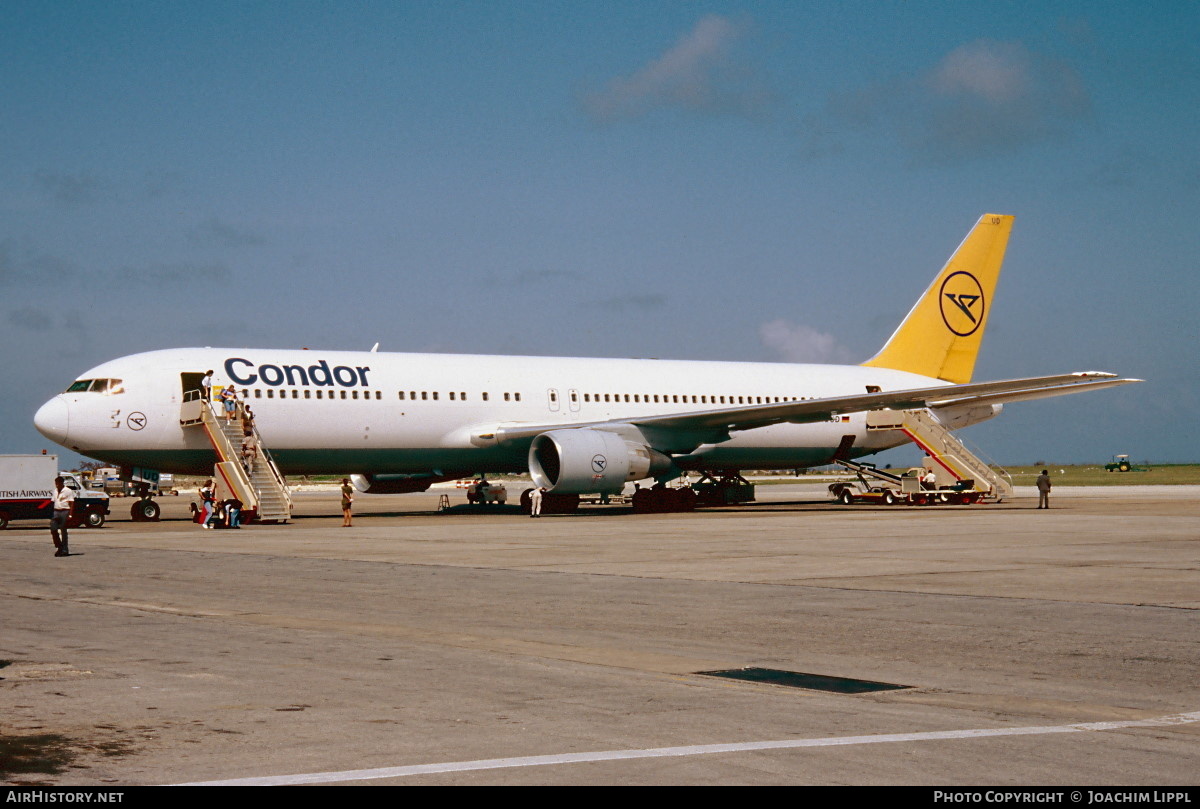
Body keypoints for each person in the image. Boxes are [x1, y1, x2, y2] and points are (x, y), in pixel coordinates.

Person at [50, 475, 76, 557]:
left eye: (58, 483)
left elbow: (71, 503)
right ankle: (59, 546)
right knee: (53, 528)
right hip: (56, 511)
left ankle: (65, 549)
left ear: (62, 483)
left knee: (63, 530)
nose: (57, 485)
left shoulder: (68, 491)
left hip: (65, 511)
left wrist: (70, 515)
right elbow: (53, 501)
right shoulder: (55, 491)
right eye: (56, 483)